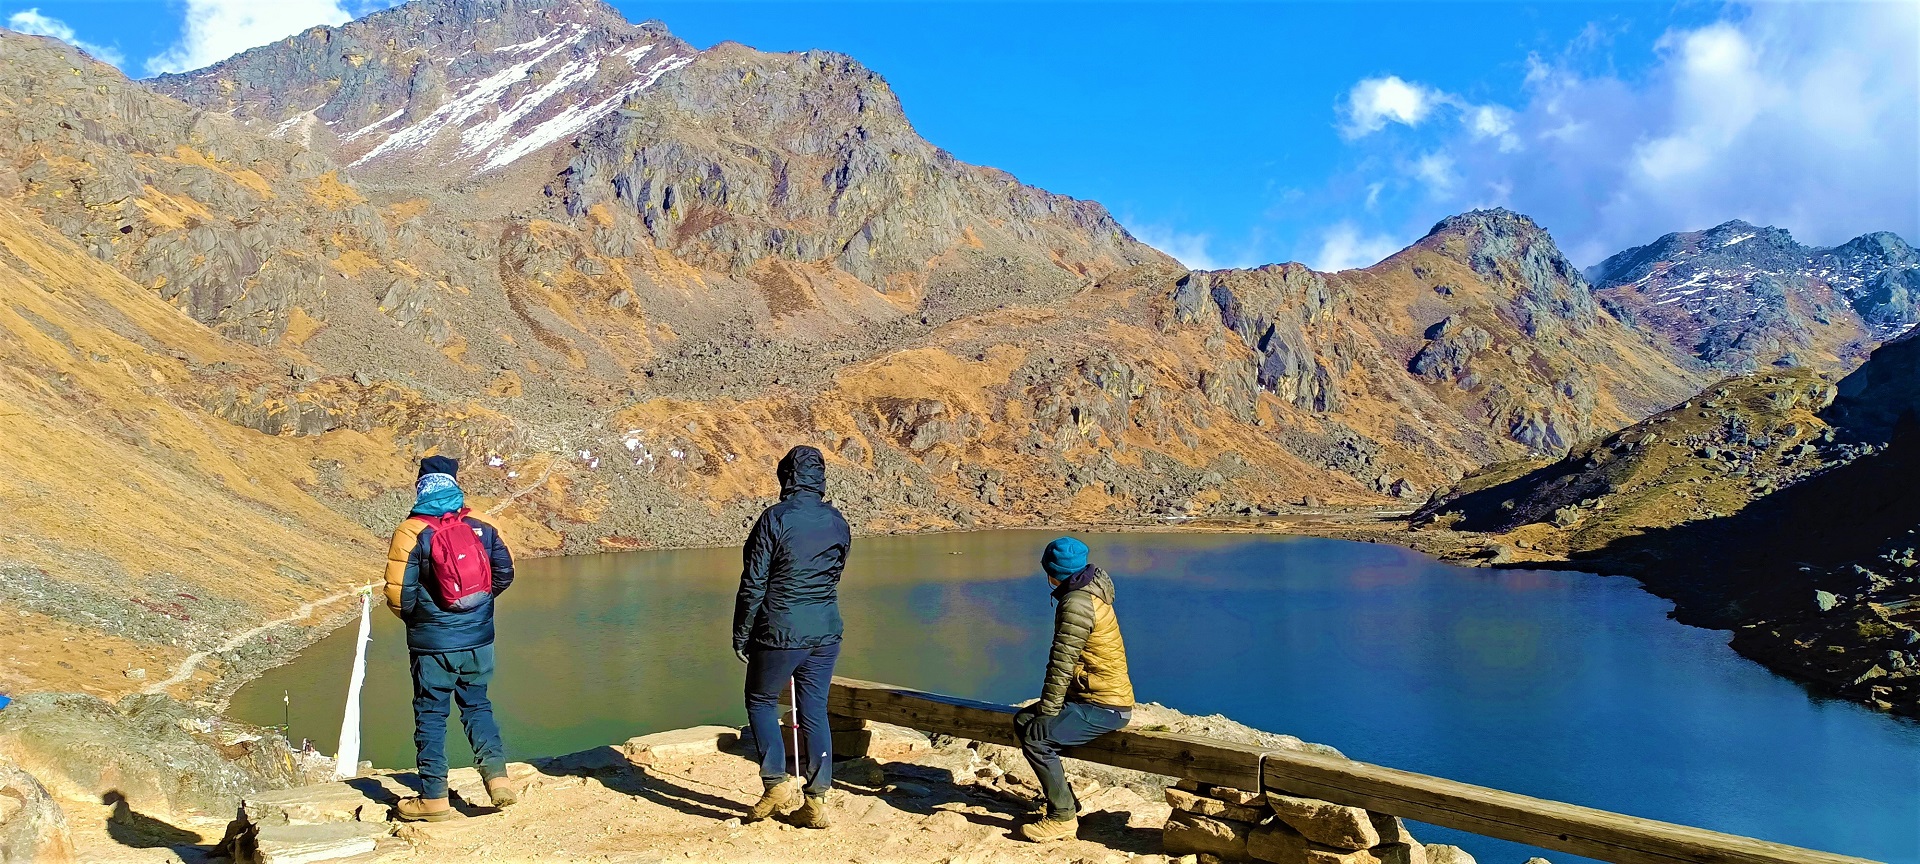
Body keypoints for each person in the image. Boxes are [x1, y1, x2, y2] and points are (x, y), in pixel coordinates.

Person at [383, 455, 517, 822]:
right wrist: (476, 612)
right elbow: (503, 575)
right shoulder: (482, 524)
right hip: (479, 641)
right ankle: (498, 780)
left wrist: (423, 620)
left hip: (432, 645)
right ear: (454, 484)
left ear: (421, 487)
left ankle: (433, 798)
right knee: (477, 705)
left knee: (430, 715)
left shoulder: (411, 532)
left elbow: (399, 596)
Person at [732, 445, 850, 829]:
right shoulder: (837, 521)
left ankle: (776, 782)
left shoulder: (774, 519)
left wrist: (742, 632)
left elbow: (754, 583)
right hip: (827, 629)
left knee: (762, 700)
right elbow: (834, 572)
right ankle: (816, 801)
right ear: (820, 479)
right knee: (814, 710)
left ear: (786, 477)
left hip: (782, 630)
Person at [1012, 537, 1134, 843]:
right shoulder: (1089, 590)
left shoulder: (1076, 603)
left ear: (1053, 572)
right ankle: (1066, 802)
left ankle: (1063, 818)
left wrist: (1049, 711)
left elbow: (1062, 663)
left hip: (1106, 705)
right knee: (1023, 722)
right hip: (1095, 696)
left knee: (1035, 737)